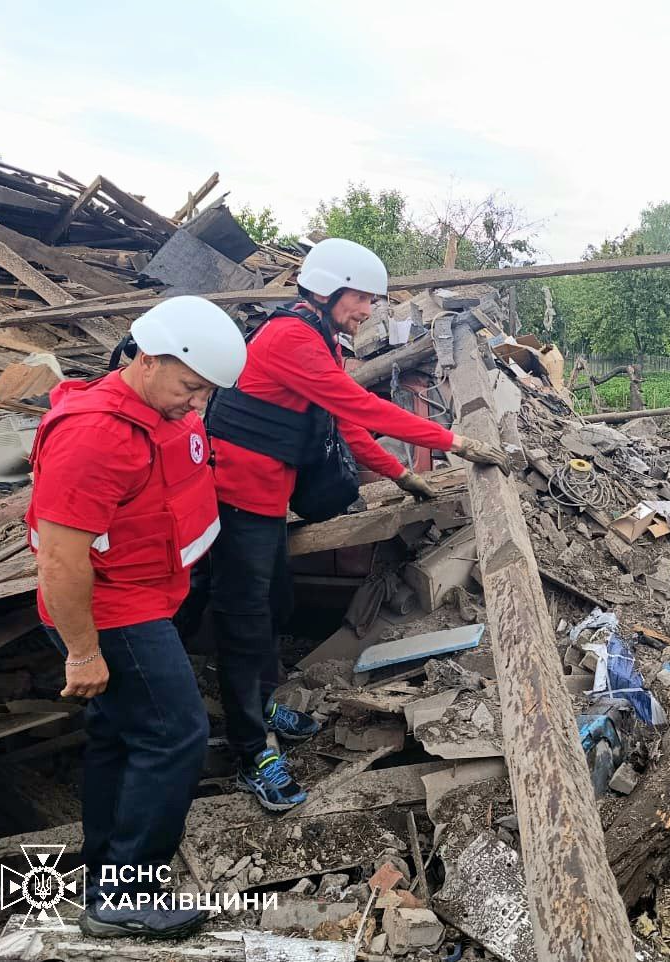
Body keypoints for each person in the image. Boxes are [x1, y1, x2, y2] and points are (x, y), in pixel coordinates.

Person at [205, 237, 508, 812]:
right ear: (326, 290)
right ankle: (251, 751)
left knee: (275, 606)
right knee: (244, 621)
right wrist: (455, 442)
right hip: (235, 499)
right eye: (362, 298)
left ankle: (264, 704)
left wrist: (400, 474)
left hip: (268, 501)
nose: (369, 310)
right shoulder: (292, 337)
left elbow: (338, 426)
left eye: (372, 300)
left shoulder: (320, 338)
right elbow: (359, 408)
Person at [27, 296, 247, 938]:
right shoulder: (95, 437)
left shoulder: (157, 407)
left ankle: (107, 875)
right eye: (190, 387)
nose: (197, 403)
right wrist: (83, 651)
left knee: (121, 735)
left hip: (146, 597)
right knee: (174, 735)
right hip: (111, 612)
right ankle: (126, 895)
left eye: (206, 393)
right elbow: (61, 561)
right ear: (147, 359)